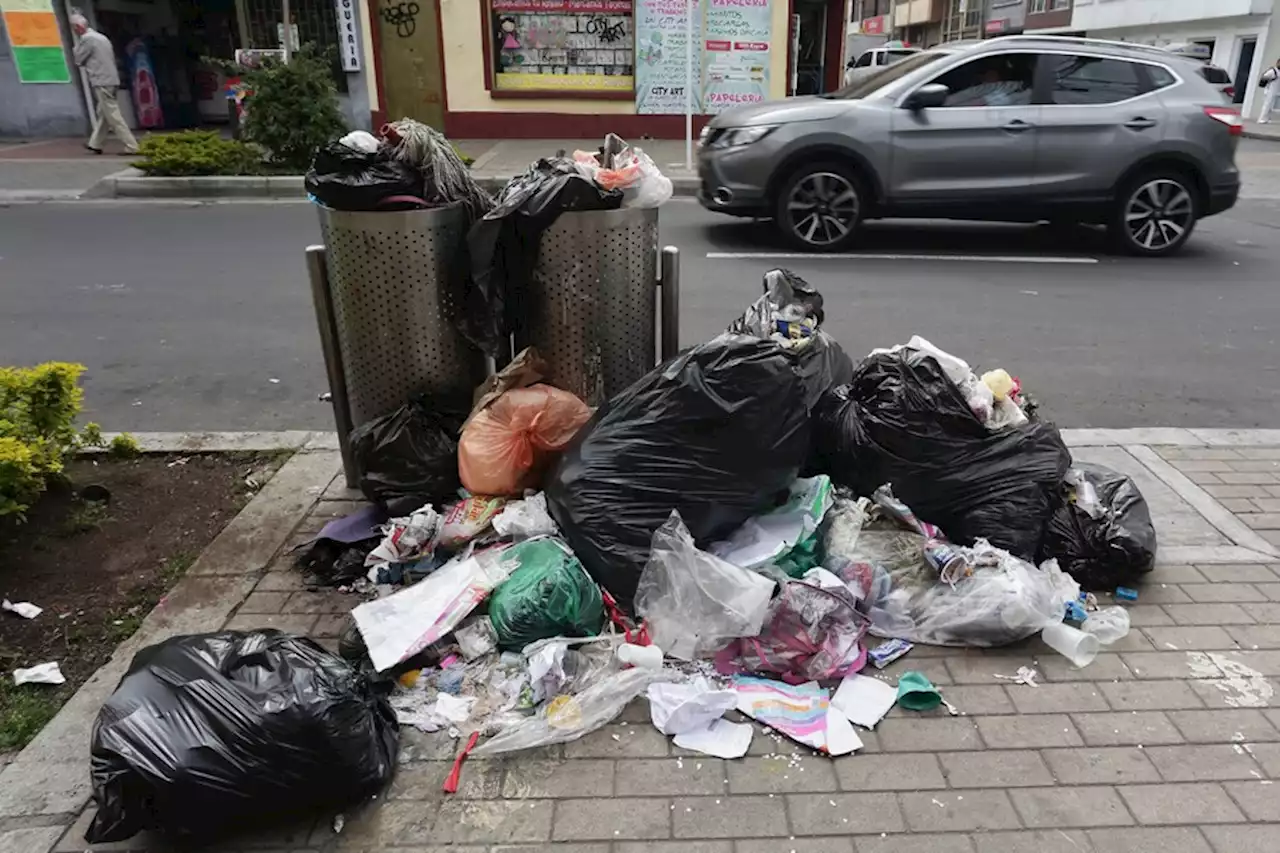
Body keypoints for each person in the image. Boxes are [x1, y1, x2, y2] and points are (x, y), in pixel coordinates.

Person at [70, 14, 139, 155]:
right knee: (103, 113)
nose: (74, 31)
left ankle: (131, 145)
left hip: (101, 80)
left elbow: (78, 59)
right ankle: (95, 143)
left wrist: (75, 47)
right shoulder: (102, 37)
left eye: (74, 28)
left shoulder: (87, 39)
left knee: (113, 115)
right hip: (111, 79)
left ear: (78, 27)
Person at [1259, 58, 1280, 124]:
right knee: (1266, 105)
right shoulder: (1273, 71)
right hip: (1269, 90)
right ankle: (1261, 119)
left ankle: (1267, 118)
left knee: (1270, 106)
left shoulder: (1278, 71)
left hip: (1274, 91)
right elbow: (1264, 77)